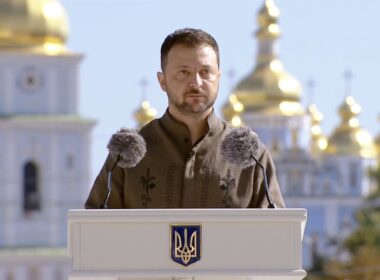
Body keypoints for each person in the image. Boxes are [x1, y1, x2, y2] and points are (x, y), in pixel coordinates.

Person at [85, 28, 285, 209]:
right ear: (162, 81)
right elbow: (94, 233)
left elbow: (277, 235)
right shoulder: (126, 154)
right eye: (184, 73)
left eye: (205, 72)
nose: (196, 83)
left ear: (219, 77)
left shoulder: (251, 156)